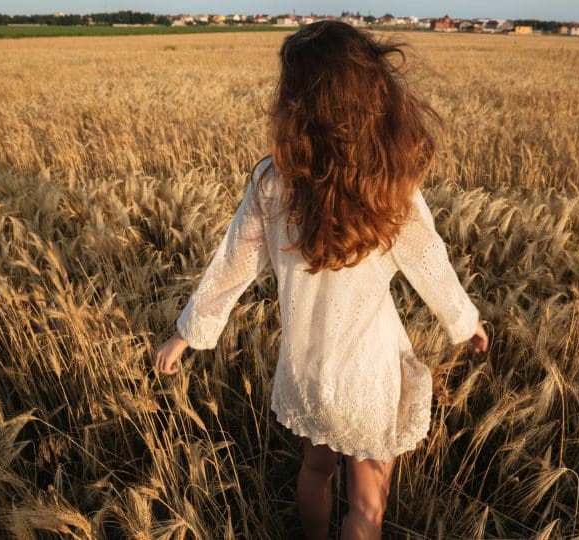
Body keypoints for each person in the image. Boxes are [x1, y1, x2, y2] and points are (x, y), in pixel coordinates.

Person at [154, 20, 489, 540]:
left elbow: (233, 264)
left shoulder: (272, 182)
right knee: (366, 508)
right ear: (369, 97)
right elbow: (430, 261)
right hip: (367, 377)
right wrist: (464, 322)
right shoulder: (388, 184)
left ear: (295, 106)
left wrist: (187, 333)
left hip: (306, 372)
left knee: (314, 470)